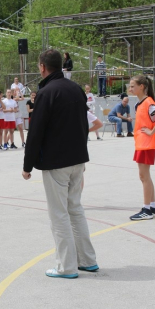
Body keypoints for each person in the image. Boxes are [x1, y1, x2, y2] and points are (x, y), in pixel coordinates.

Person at [22, 49, 98, 279]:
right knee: (75, 209)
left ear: (43, 67)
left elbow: (36, 132)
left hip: (57, 162)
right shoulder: (75, 89)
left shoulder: (47, 92)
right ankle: (87, 260)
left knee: (59, 214)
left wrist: (28, 165)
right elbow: (84, 124)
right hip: (78, 160)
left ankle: (67, 266)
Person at [128, 75, 155, 221]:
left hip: (146, 144)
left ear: (141, 87)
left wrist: (151, 131)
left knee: (144, 176)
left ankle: (146, 209)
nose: (130, 89)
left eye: (132, 86)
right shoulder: (141, 103)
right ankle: (153, 207)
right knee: (146, 176)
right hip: (142, 143)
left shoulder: (149, 103)